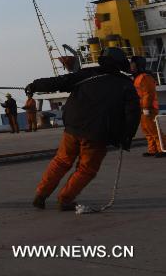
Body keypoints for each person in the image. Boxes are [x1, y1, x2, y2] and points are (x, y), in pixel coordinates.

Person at [27, 47, 140, 211]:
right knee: (87, 169)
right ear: (120, 64)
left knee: (61, 161)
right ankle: (65, 200)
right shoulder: (126, 85)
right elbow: (132, 114)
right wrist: (127, 138)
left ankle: (41, 195)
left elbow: (60, 81)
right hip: (98, 134)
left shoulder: (88, 74)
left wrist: (34, 85)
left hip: (73, 128)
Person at [131, 56, 163, 157]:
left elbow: (148, 94)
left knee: (153, 129)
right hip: (142, 108)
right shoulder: (138, 77)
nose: (131, 66)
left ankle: (162, 148)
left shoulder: (144, 77)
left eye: (133, 64)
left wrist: (145, 108)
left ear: (138, 65)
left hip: (149, 108)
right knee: (147, 130)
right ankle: (153, 149)